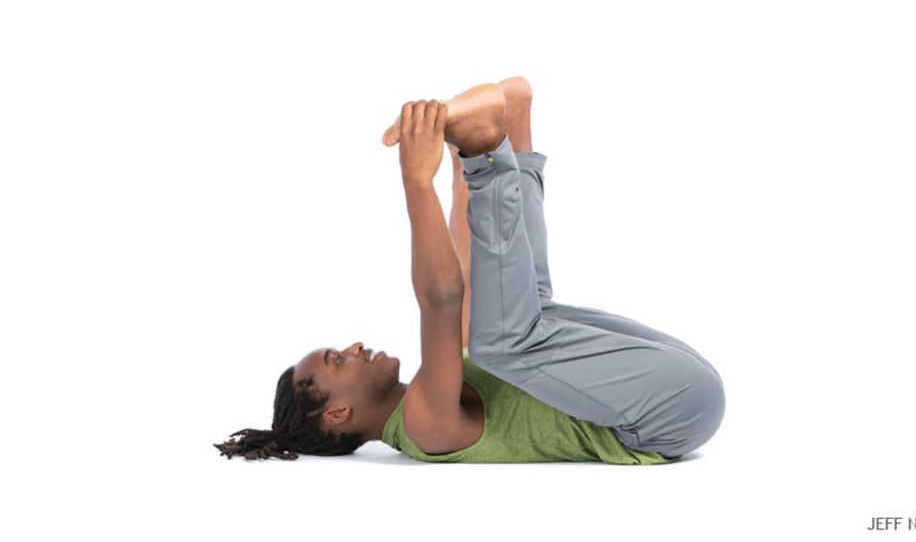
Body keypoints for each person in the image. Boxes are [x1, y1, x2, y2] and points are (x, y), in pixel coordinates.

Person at [214, 77, 725, 463]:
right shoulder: (424, 429)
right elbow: (440, 299)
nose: (353, 347)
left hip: (674, 381)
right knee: (501, 342)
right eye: (337, 360)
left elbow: (467, 264)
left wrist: (461, 164)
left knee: (510, 315)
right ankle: (489, 149)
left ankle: (510, 131)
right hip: (666, 418)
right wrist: (419, 180)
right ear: (337, 413)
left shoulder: (441, 383)